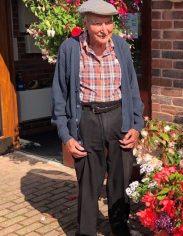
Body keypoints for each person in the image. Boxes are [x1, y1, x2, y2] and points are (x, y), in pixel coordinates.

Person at [51, 0, 144, 235]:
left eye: (108, 22)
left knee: (120, 180)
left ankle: (119, 226)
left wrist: (136, 124)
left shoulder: (121, 47)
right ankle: (86, 231)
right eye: (97, 23)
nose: (104, 29)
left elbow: (132, 88)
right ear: (85, 24)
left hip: (118, 117)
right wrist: (66, 135)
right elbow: (59, 95)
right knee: (89, 183)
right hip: (86, 119)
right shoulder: (70, 49)